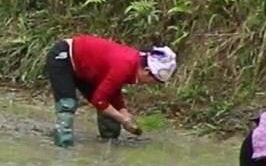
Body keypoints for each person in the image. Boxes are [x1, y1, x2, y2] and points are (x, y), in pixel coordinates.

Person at [46, 35, 176, 147]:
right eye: (153, 81)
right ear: (147, 71)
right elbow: (99, 100)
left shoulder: (133, 65)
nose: (150, 84)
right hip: (64, 56)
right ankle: (63, 145)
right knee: (67, 104)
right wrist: (123, 119)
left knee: (112, 107)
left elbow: (113, 90)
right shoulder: (125, 65)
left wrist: (124, 113)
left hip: (86, 69)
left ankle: (109, 142)